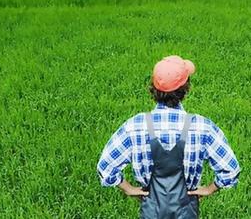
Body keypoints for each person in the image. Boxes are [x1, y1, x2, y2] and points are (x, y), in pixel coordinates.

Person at [96, 55, 240, 219]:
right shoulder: (203, 127)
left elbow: (105, 167)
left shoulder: (134, 126)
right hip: (187, 210)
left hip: (151, 209)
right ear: (186, 88)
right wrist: (210, 189)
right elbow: (230, 170)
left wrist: (129, 188)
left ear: (154, 89)